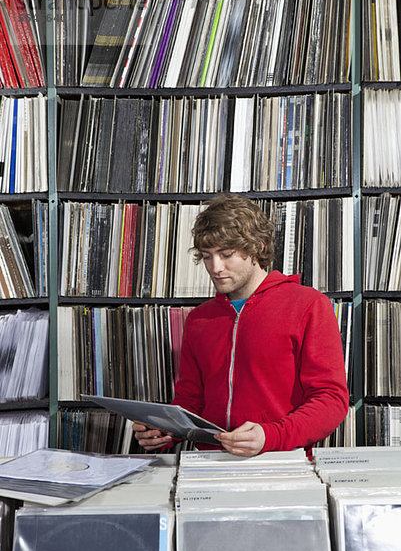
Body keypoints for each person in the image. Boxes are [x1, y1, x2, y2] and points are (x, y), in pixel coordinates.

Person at [134, 193, 349, 457]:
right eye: (207, 256)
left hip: (280, 461)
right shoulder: (200, 319)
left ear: (257, 247)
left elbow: (331, 400)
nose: (216, 267)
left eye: (226, 254)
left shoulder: (308, 305)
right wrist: (165, 429)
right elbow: (191, 399)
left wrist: (271, 435)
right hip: (208, 463)